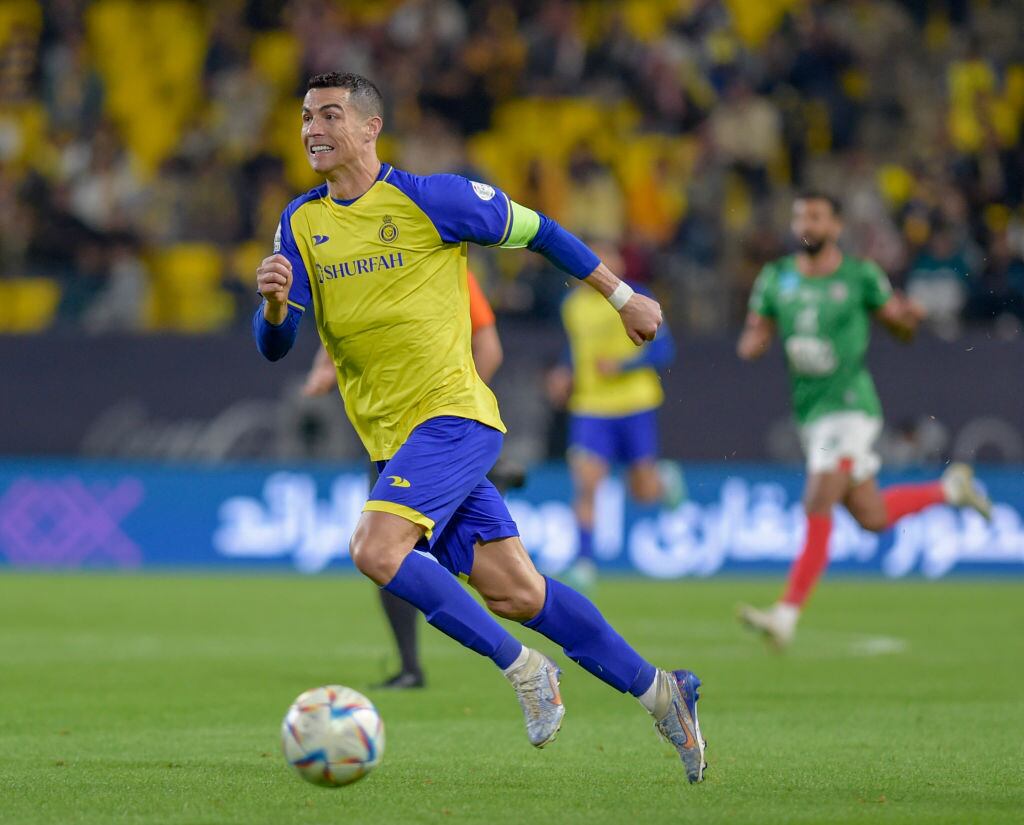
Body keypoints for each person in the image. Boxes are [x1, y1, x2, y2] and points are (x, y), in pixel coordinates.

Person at [253, 73, 706, 782]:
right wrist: (276, 306)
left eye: (331, 115)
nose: (314, 127)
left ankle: (524, 669)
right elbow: (275, 344)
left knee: (374, 548)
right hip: (393, 440)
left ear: (372, 127)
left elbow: (541, 231)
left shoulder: (434, 198)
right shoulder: (301, 222)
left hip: (454, 416)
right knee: (518, 592)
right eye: (307, 115)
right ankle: (661, 690)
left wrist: (623, 296)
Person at [735, 192, 991, 649]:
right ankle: (950, 489)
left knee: (817, 500)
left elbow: (899, 326)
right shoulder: (776, 279)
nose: (806, 224)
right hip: (811, 413)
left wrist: (907, 316)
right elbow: (753, 339)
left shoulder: (859, 275)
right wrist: (754, 341)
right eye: (799, 217)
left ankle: (786, 614)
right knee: (871, 515)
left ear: (836, 226)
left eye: (815, 216)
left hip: (852, 408)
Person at [302, 271, 507, 690]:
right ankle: (411, 665)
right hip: (390, 438)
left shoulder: (444, 268)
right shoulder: (368, 267)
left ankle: (510, 658)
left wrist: (460, 414)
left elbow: (488, 347)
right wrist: (326, 366)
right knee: (385, 552)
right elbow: (345, 332)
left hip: (438, 433)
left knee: (395, 548)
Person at [547, 243, 683, 593]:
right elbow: (575, 348)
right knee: (587, 482)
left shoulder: (638, 296)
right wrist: (565, 371)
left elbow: (665, 350)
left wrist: (623, 367)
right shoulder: (572, 306)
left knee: (642, 491)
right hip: (591, 407)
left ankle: (662, 481)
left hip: (634, 403)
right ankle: (584, 562)